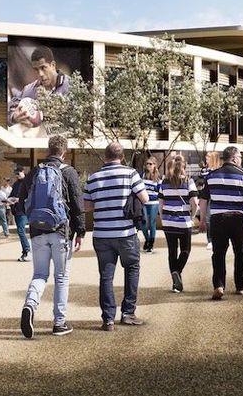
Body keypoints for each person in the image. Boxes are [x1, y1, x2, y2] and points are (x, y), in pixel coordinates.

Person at [17, 135, 84, 338]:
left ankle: (30, 305)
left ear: (48, 150)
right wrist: (80, 231)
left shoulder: (35, 172)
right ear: (64, 151)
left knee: (39, 275)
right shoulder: (69, 172)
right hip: (61, 232)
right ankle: (59, 323)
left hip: (38, 230)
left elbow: (21, 203)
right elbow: (77, 203)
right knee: (61, 277)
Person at [83, 142, 149, 331]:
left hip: (102, 233)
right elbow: (145, 198)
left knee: (106, 276)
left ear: (105, 156)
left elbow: (86, 207)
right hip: (125, 233)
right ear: (122, 157)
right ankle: (128, 313)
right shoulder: (130, 174)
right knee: (132, 269)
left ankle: (108, 319)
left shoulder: (93, 178)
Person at [199, 146, 243, 300]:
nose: (241, 159)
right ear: (233, 158)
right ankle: (240, 286)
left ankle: (219, 285)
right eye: (239, 156)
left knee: (218, 253)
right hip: (237, 218)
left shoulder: (212, 176)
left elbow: (204, 199)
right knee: (239, 251)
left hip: (218, 219)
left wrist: (202, 221)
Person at [7, 46, 70, 137]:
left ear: (53, 65)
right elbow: (9, 108)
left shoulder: (70, 86)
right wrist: (14, 117)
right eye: (36, 70)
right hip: (40, 145)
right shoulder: (31, 89)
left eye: (43, 68)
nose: (40, 74)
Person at [160, 154, 198, 293]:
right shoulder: (189, 182)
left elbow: (161, 203)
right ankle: (177, 271)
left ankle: (176, 283)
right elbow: (194, 203)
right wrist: (192, 216)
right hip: (183, 221)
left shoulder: (164, 182)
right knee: (185, 250)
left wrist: (163, 217)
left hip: (168, 221)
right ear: (184, 167)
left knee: (172, 251)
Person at [9, 169, 31, 261]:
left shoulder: (28, 183)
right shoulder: (16, 184)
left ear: (23, 172)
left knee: (21, 230)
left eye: (18, 173)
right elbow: (12, 194)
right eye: (15, 174)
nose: (17, 176)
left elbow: (30, 196)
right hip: (16, 209)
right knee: (20, 231)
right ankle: (25, 251)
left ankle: (27, 250)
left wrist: (20, 199)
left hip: (24, 210)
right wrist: (9, 200)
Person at [140, 157, 161, 253]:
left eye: (150, 164)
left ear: (154, 165)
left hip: (154, 203)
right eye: (147, 163)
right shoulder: (142, 175)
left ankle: (151, 243)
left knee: (152, 223)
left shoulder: (158, 178)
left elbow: (160, 192)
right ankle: (147, 239)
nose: (148, 165)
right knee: (143, 223)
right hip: (144, 202)